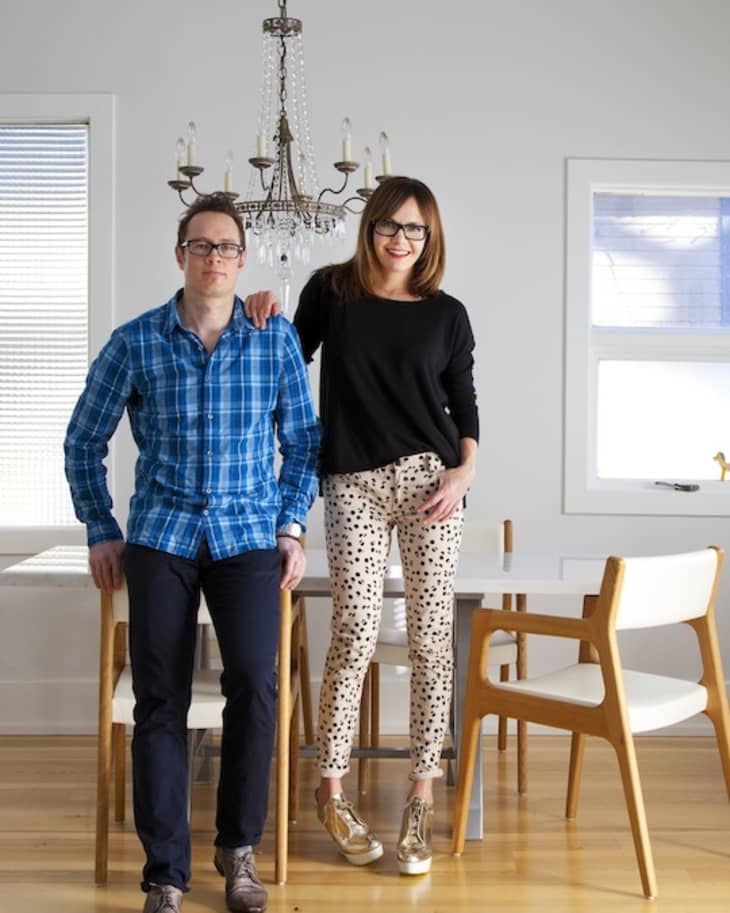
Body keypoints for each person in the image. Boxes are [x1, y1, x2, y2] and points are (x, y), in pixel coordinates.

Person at [64, 193, 320, 913]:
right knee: (160, 702)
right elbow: (84, 438)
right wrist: (99, 525)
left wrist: (292, 525)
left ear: (243, 260)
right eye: (201, 246)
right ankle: (166, 874)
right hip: (161, 537)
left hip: (246, 537)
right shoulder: (135, 341)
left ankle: (239, 851)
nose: (214, 259)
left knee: (257, 684)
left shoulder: (274, 339)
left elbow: (304, 443)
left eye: (227, 248)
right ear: (180, 255)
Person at [246, 175, 478, 875]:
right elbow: (287, 360)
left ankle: (420, 798)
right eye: (391, 227)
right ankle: (332, 791)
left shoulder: (448, 313)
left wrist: (463, 473)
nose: (402, 241)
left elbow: (463, 402)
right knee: (353, 632)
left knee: (433, 641)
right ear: (370, 226)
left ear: (429, 237)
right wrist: (261, 311)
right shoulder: (332, 291)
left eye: (416, 230)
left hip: (430, 483)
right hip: (351, 481)